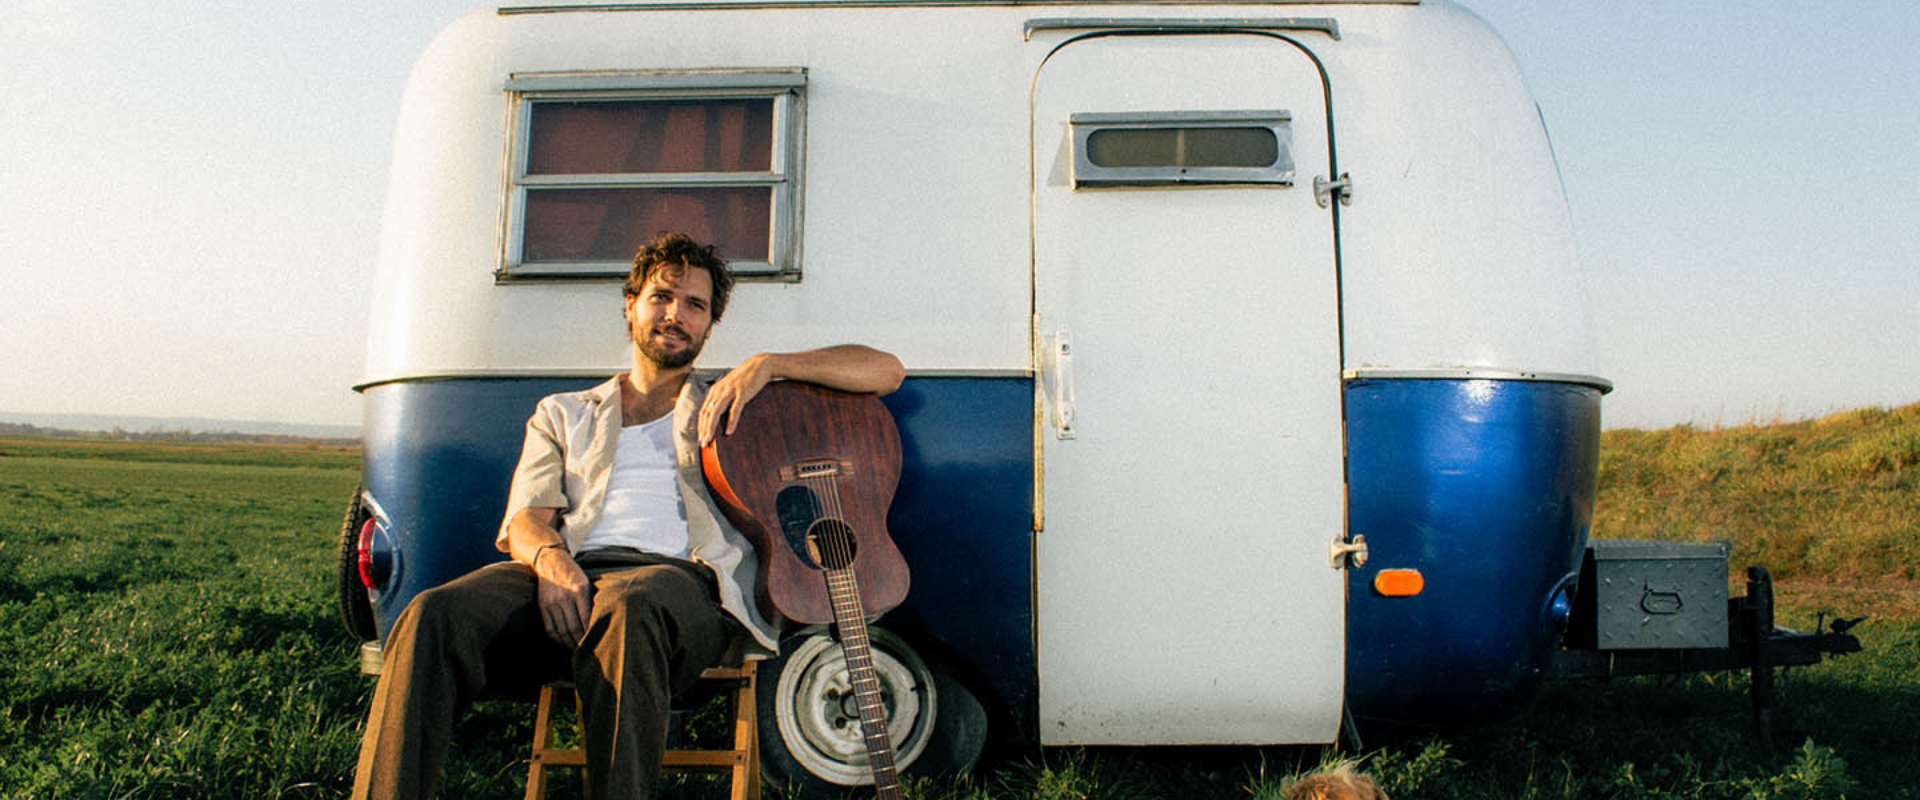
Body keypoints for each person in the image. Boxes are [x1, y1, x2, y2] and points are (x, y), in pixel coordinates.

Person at [351, 231, 904, 800]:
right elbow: (526, 520)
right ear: (631, 304)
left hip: (684, 591)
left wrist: (769, 364)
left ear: (709, 326)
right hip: (568, 577)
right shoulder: (564, 414)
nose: (676, 314)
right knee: (431, 613)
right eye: (663, 296)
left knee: (630, 603)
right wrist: (551, 561)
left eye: (696, 305)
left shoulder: (735, 408)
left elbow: (886, 371)